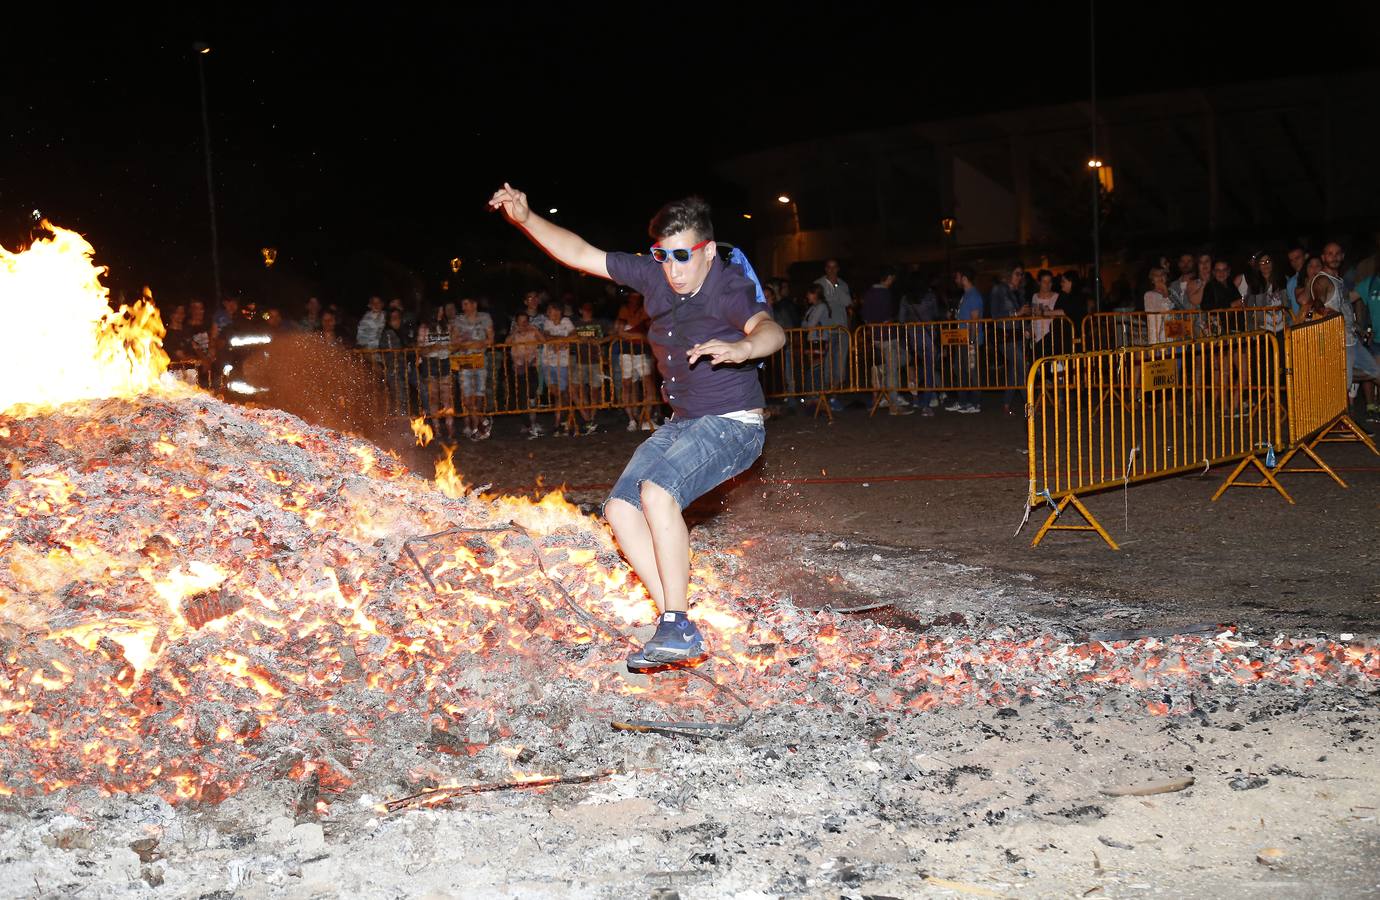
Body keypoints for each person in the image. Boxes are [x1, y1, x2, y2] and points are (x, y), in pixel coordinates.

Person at [489, 185, 784, 669]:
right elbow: (580, 253)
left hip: (734, 424)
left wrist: (745, 349)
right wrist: (526, 219)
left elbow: (768, 329)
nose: (673, 269)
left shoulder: (727, 285)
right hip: (684, 423)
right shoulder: (656, 276)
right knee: (621, 509)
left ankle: (676, 622)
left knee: (657, 493)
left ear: (708, 252)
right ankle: (674, 614)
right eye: (663, 257)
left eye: (684, 257)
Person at [858, 266, 912, 415]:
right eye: (892, 278)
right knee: (894, 370)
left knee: (900, 360)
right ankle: (894, 405)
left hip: (876, 337)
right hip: (888, 336)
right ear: (888, 277)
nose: (893, 281)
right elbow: (888, 317)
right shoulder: (885, 293)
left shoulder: (869, 293)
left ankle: (882, 369)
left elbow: (865, 317)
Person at [989, 262, 1030, 414]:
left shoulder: (1018, 291)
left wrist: (1025, 327)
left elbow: (1022, 313)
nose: (1019, 277)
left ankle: (1006, 404)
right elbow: (995, 315)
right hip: (1005, 336)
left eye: (1021, 274)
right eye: (1017, 273)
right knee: (1023, 368)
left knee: (1015, 371)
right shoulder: (998, 289)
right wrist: (1016, 314)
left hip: (1018, 335)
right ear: (1008, 274)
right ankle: (1031, 404)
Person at [451, 297, 494, 440]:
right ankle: (483, 421)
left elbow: (490, 339)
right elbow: (455, 340)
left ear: (474, 304)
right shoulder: (459, 320)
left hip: (480, 360)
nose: (463, 307)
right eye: (462, 304)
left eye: (466, 304)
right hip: (464, 360)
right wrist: (469, 344)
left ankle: (477, 428)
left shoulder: (485, 317)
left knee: (478, 396)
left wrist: (474, 343)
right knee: (467, 398)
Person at [614, 291, 658, 431]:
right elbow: (619, 332)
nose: (634, 299)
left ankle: (646, 419)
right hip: (626, 353)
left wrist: (633, 335)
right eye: (632, 296)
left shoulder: (644, 309)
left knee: (648, 385)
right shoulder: (624, 310)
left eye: (637, 296)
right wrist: (636, 335)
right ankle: (631, 420)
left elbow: (648, 334)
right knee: (627, 385)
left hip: (641, 353)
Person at [945, 266, 984, 413]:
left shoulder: (973, 295)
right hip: (963, 339)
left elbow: (974, 319)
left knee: (972, 371)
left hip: (969, 340)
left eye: (957, 277)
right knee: (959, 368)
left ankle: (975, 403)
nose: (956, 280)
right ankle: (963, 401)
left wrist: (972, 341)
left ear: (964, 278)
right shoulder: (967, 295)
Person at [813, 259, 852, 405]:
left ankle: (834, 394)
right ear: (825, 269)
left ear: (838, 269)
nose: (832, 270)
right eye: (829, 267)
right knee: (826, 362)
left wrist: (836, 285)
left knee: (840, 362)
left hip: (841, 329)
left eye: (834, 267)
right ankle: (824, 393)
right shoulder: (818, 284)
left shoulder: (843, 284)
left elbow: (847, 302)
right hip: (825, 331)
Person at [417, 305, 455, 441]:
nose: (441, 313)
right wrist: (433, 347)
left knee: (446, 397)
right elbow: (420, 348)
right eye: (438, 310)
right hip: (430, 362)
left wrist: (451, 347)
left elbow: (454, 343)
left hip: (445, 361)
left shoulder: (447, 326)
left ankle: (450, 430)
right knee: (433, 397)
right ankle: (437, 429)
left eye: (442, 310)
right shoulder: (424, 327)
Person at [539, 301, 576, 435]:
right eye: (548, 311)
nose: (549, 313)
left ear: (558, 311)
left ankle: (559, 423)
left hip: (562, 363)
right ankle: (565, 420)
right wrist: (562, 340)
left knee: (561, 393)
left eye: (551, 310)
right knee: (557, 393)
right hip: (548, 362)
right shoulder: (547, 322)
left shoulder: (566, 321)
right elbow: (546, 336)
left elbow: (574, 335)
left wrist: (556, 341)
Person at [508, 310, 545, 437]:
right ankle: (527, 424)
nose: (523, 324)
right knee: (522, 398)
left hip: (531, 366)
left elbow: (543, 340)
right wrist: (514, 332)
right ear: (516, 322)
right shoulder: (515, 334)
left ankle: (533, 423)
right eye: (520, 322)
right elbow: (507, 343)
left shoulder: (533, 330)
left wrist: (534, 330)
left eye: (525, 321)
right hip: (518, 368)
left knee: (532, 395)